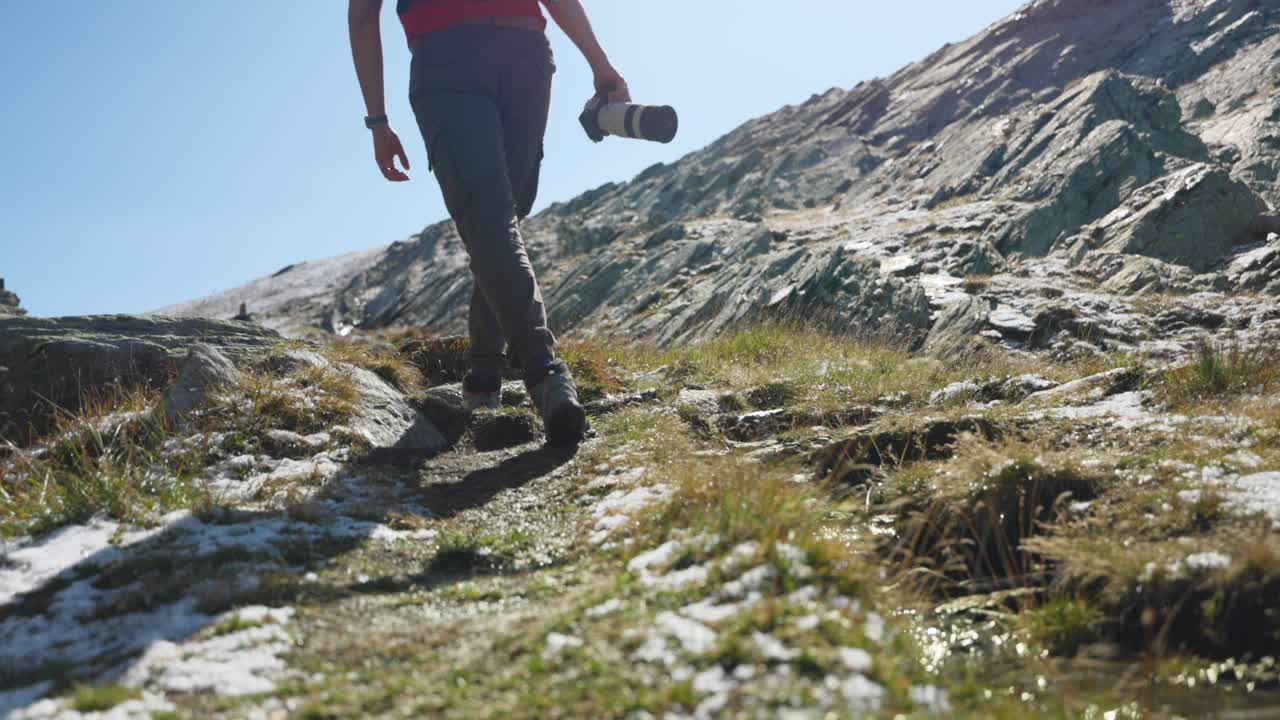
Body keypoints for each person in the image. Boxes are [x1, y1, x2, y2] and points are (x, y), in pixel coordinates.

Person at [348, 0, 629, 447]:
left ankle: (484, 377)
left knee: (499, 221)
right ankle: (542, 373)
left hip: (481, 57)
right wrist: (600, 64)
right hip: (502, 57)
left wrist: (378, 123)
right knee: (496, 220)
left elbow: (362, 15)